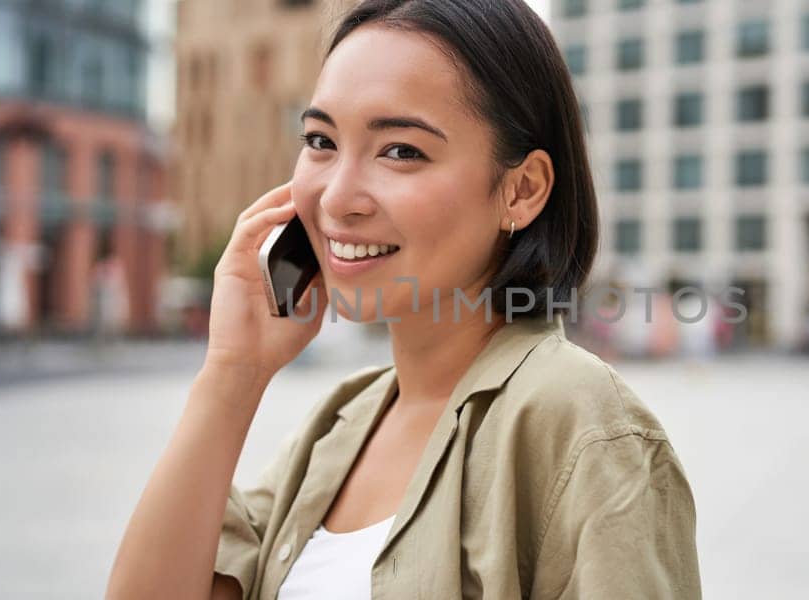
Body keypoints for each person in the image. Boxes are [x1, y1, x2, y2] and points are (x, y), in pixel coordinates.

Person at [106, 1, 701, 599]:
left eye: (401, 150)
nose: (338, 198)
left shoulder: (583, 428)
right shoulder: (337, 428)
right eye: (320, 141)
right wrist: (233, 375)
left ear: (522, 190)